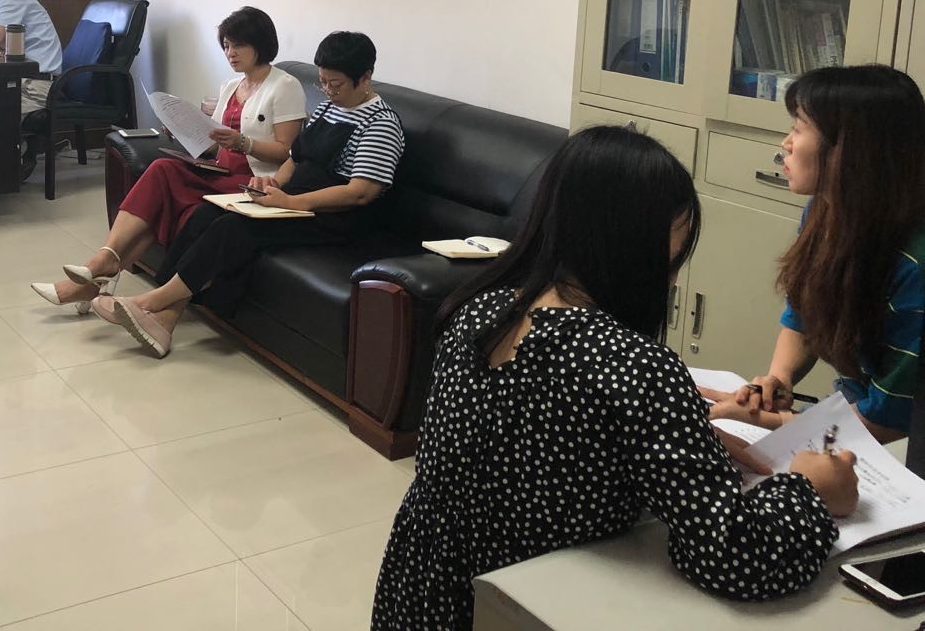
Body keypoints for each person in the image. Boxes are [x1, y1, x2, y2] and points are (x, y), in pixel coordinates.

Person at [371, 126, 858, 630]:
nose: (673, 277)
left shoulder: (478, 310)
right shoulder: (635, 365)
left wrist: (691, 428)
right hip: (533, 604)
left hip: (424, 590)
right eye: (671, 256)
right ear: (627, 246)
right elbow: (735, 556)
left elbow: (534, 440)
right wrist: (810, 490)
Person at [95, 31, 404, 358]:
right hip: (296, 202)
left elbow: (360, 193)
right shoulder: (330, 108)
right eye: (323, 82)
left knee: (236, 228)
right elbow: (295, 158)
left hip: (337, 217)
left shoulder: (381, 124)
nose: (328, 90)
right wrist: (274, 185)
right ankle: (164, 321)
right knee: (207, 214)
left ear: (365, 77)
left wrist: (291, 203)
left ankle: (150, 303)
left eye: (336, 84)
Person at [31, 6, 306, 313]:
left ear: (261, 43)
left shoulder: (284, 85)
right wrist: (183, 131)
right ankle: (103, 261)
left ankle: (96, 276)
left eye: (238, 45)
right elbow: (215, 146)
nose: (231, 53)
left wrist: (244, 142)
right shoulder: (231, 86)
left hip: (252, 182)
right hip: (220, 171)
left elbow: (288, 151)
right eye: (226, 45)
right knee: (162, 168)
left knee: (165, 190)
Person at [707, 64, 925, 443]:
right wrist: (778, 380)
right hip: (853, 409)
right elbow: (805, 314)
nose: (785, 143)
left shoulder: (915, 265)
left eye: (798, 128)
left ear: (850, 149)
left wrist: (769, 421)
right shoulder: (827, 211)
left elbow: (888, 420)